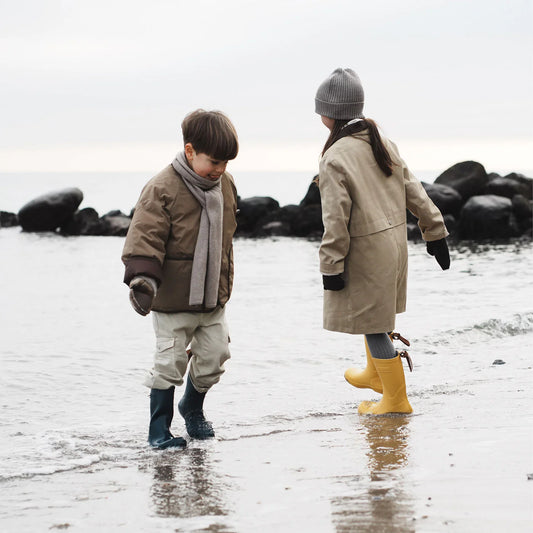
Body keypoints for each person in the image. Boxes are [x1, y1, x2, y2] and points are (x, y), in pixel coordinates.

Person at [314, 68, 450, 415]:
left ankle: (395, 400)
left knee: (374, 324)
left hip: (367, 252)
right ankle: (376, 373)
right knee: (375, 316)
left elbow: (335, 219)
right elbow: (414, 190)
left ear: (328, 113)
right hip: (394, 246)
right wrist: (434, 230)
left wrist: (330, 266)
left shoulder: (335, 157)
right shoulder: (380, 141)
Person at [122, 109, 239, 448]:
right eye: (214, 161)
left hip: (212, 298)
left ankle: (192, 407)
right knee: (169, 362)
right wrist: (142, 280)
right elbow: (145, 237)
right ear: (190, 151)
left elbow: (227, 236)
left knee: (216, 357)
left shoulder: (225, 186)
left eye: (225, 163)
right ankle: (158, 430)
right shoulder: (162, 188)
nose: (219, 169)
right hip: (173, 299)